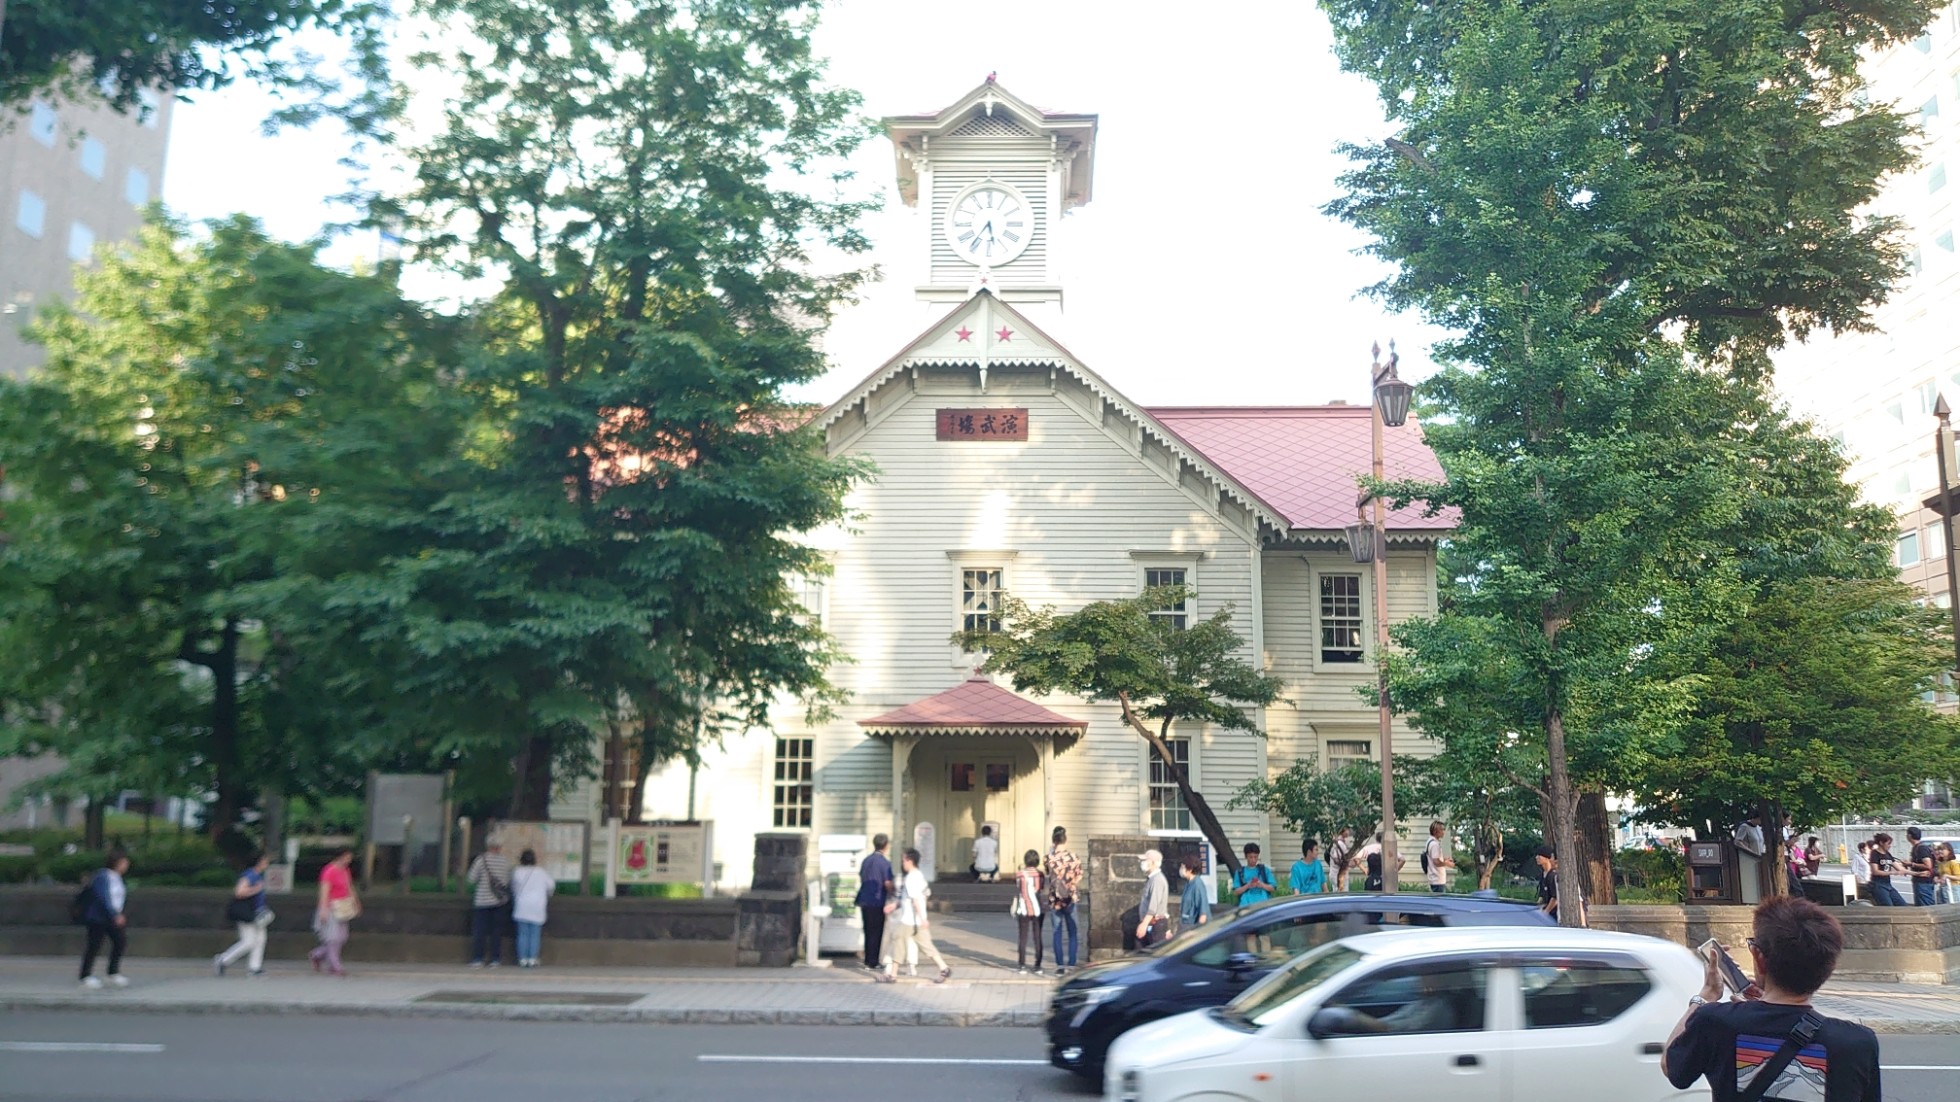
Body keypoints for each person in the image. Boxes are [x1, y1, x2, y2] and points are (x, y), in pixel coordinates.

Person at [1663, 895, 1880, 1102]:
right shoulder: (1859, 1043)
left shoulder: (1715, 1022)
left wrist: (1706, 996)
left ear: (1759, 958)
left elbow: (1672, 1068)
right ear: (1829, 967)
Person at [877, 848, 950, 984]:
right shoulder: (919, 876)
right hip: (917, 920)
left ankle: (892, 975)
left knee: (897, 940)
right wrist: (896, 906)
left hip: (909, 919)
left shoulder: (911, 877)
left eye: (904, 860)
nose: (902, 863)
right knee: (926, 945)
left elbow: (915, 899)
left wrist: (922, 918)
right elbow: (917, 896)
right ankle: (944, 967)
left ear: (910, 861)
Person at [78, 848, 131, 989]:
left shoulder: (117, 878)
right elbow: (103, 897)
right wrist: (114, 914)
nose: (126, 865)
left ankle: (112, 972)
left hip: (111, 917)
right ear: (116, 863)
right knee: (94, 945)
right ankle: (85, 975)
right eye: (124, 862)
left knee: (120, 942)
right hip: (99, 918)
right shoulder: (103, 876)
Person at [214, 851, 271, 977]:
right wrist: (256, 889)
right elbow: (239, 892)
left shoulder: (257, 875)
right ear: (259, 862)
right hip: (248, 913)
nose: (267, 864)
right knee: (249, 941)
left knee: (260, 939)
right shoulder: (250, 875)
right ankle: (223, 959)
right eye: (265, 861)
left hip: (258, 913)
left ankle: (254, 967)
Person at [309, 847, 358, 975]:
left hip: (343, 907)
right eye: (347, 856)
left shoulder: (345, 871)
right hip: (331, 906)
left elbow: (349, 887)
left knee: (341, 937)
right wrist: (323, 909)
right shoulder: (329, 871)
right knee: (332, 938)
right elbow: (324, 891)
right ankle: (335, 965)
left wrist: (355, 902)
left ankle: (317, 954)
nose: (349, 859)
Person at [466, 840, 513, 967]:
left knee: (479, 931)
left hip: (482, 901)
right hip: (500, 901)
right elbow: (508, 881)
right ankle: (495, 959)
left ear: (488, 846)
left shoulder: (481, 860)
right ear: (500, 847)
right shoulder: (505, 862)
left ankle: (478, 958)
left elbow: (471, 879)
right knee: (496, 932)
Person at [1043, 826, 1082, 977]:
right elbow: (1079, 876)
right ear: (1066, 840)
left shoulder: (1048, 858)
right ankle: (1071, 964)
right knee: (1073, 932)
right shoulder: (1074, 857)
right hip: (1071, 897)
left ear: (1053, 841)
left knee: (1057, 932)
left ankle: (1060, 966)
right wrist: (1070, 883)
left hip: (1055, 899)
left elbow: (1048, 874)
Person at [855, 833, 894, 971]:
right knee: (876, 931)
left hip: (864, 899)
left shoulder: (866, 860)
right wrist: (893, 892)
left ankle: (867, 959)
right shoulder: (885, 863)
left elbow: (861, 876)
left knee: (867, 930)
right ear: (886, 845)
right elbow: (888, 883)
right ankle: (873, 961)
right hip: (877, 900)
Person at [509, 848, 555, 967]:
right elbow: (551, 886)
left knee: (522, 933)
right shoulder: (541, 872)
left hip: (522, 905)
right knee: (534, 934)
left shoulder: (517, 872)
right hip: (537, 906)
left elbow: (513, 888)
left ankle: (522, 959)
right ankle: (532, 958)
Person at [1013, 848, 1044, 974]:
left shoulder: (1019, 874)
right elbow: (1039, 888)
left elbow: (1018, 888)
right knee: (1037, 936)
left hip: (1023, 907)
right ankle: (1037, 965)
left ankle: (1022, 965)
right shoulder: (1040, 874)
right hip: (1037, 907)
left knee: (1022, 937)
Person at [1535, 844, 1582, 923]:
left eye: (1539, 855)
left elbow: (1555, 898)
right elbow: (1542, 895)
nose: (1537, 857)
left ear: (1546, 858)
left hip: (1553, 914)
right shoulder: (1543, 875)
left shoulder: (1553, 876)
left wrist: (1546, 912)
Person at [1134, 848, 1170, 948]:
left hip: (1154, 924)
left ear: (1153, 863)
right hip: (1152, 923)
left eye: (1145, 860)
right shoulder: (1152, 879)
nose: (1142, 863)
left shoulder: (1157, 880)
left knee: (1154, 954)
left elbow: (1153, 907)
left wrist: (1144, 925)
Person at [1867, 834, 1907, 907]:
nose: (1890, 846)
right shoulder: (1874, 854)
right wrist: (1893, 872)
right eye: (1888, 843)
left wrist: (1917, 873)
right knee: (1888, 906)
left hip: (1887, 884)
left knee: (1902, 904)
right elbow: (1875, 871)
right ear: (1881, 843)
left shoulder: (1888, 854)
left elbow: (1899, 868)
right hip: (1878, 884)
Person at [1179, 852, 1212, 930]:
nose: (1181, 870)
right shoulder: (1188, 883)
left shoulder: (1198, 885)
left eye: (1183, 867)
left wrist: (1197, 932)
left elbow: (1203, 913)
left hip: (1194, 927)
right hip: (1186, 925)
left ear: (1189, 869)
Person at [1905, 827, 1938, 907]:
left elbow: (1928, 865)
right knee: (1921, 905)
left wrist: (1911, 864)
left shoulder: (1921, 848)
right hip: (1920, 881)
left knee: (1926, 906)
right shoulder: (1917, 847)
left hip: (1924, 882)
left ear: (1909, 835)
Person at [1422, 821, 1457, 893]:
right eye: (1441, 830)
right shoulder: (1434, 844)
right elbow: (1436, 861)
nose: (1443, 832)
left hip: (1434, 878)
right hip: (1437, 879)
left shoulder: (1430, 841)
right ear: (1435, 831)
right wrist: (1447, 863)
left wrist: (1444, 859)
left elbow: (1434, 858)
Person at [1327, 828, 1355, 892]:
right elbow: (1336, 859)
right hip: (1338, 874)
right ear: (1343, 831)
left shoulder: (1339, 842)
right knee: (1342, 894)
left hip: (1337, 873)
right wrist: (1348, 863)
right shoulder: (1340, 843)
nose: (1349, 831)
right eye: (1347, 829)